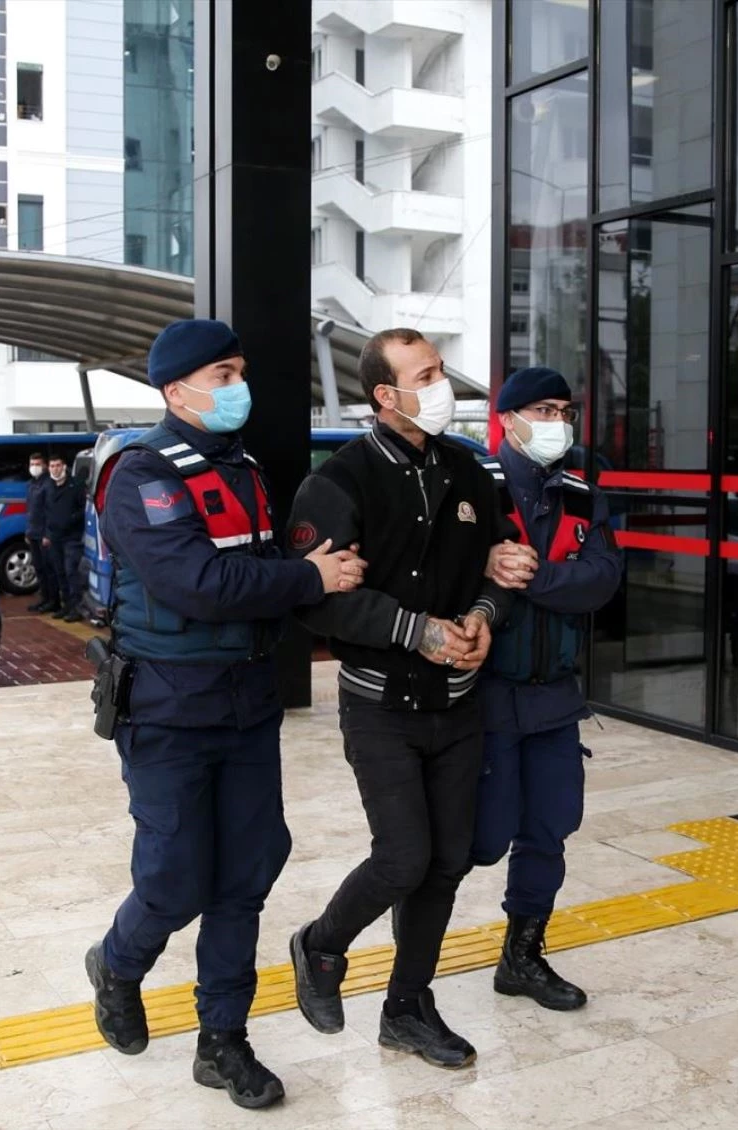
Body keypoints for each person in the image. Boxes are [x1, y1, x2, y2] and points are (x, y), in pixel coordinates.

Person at [84, 318, 366, 1111]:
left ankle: (223, 1040)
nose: (240, 386)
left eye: (240, 370)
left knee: (246, 875)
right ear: (177, 391)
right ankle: (117, 964)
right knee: (174, 881)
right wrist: (309, 579)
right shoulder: (143, 475)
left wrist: (315, 574)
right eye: (224, 375)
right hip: (168, 711)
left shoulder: (241, 469)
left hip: (245, 705)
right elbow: (198, 584)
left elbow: (261, 567)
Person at [285, 328, 523, 1070]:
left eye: (440, 369)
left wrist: (483, 616)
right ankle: (321, 945)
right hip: (381, 706)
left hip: (458, 705)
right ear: (386, 395)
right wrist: (414, 630)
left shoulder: (467, 470)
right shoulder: (338, 482)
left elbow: (501, 565)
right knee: (403, 859)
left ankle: (407, 1008)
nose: (441, 384)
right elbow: (316, 601)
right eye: (426, 375)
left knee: (447, 861)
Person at [474, 366, 622, 1010]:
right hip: (482, 696)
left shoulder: (581, 493)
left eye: (564, 411)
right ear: (508, 420)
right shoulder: (475, 487)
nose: (557, 422)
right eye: (542, 410)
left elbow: (602, 578)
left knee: (549, 827)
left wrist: (531, 578)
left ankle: (523, 957)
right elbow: (446, 574)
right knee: (474, 837)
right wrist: (494, 568)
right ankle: (411, 974)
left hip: (554, 697)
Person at [42, 454, 86, 621]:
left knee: (71, 571)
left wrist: (70, 519)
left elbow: (83, 509)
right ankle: (66, 606)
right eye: (52, 466)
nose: (55, 469)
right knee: (60, 573)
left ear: (64, 466)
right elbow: (45, 511)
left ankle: (76, 608)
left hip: (72, 537)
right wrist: (47, 533)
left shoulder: (75, 485)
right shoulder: (48, 486)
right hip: (55, 537)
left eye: (58, 465)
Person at [25, 452, 59, 613]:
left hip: (43, 535)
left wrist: (47, 534)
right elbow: (30, 510)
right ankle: (44, 598)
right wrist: (28, 531)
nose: (34, 467)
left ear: (44, 466)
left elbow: (50, 511)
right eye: (32, 464)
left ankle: (53, 601)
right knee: (39, 568)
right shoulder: (32, 484)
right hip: (33, 533)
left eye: (37, 464)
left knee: (48, 569)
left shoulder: (48, 484)